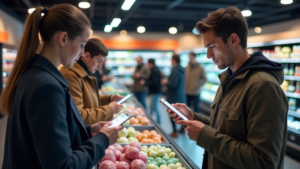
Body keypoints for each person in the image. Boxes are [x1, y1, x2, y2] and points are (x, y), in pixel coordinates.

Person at [0, 5, 122, 169]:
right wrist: (102, 140)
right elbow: (63, 165)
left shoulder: (34, 74)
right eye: (81, 45)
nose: (81, 54)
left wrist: (87, 130)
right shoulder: (47, 87)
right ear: (63, 38)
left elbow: (45, 136)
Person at [167, 6, 288, 169]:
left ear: (233, 39)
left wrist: (204, 135)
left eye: (212, 46)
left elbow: (264, 162)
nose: (209, 55)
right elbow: (224, 130)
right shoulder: (229, 78)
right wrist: (193, 117)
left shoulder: (263, 87)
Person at [60, 38, 123, 125]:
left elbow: (88, 101)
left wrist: (109, 99)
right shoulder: (71, 76)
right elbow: (79, 115)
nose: (100, 66)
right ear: (87, 56)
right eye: (99, 61)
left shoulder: (84, 73)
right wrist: (109, 109)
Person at [161, 55, 186, 137]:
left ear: (174, 60)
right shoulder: (182, 70)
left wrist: (166, 82)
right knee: (181, 113)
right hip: (180, 95)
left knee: (172, 113)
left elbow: (173, 84)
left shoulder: (175, 70)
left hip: (173, 96)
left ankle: (174, 131)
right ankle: (182, 129)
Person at [142, 58, 162, 124]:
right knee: (152, 107)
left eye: (148, 64)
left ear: (150, 64)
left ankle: (158, 122)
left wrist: (145, 82)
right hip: (154, 92)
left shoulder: (155, 71)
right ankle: (151, 121)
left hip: (155, 92)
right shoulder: (154, 70)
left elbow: (154, 82)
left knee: (154, 107)